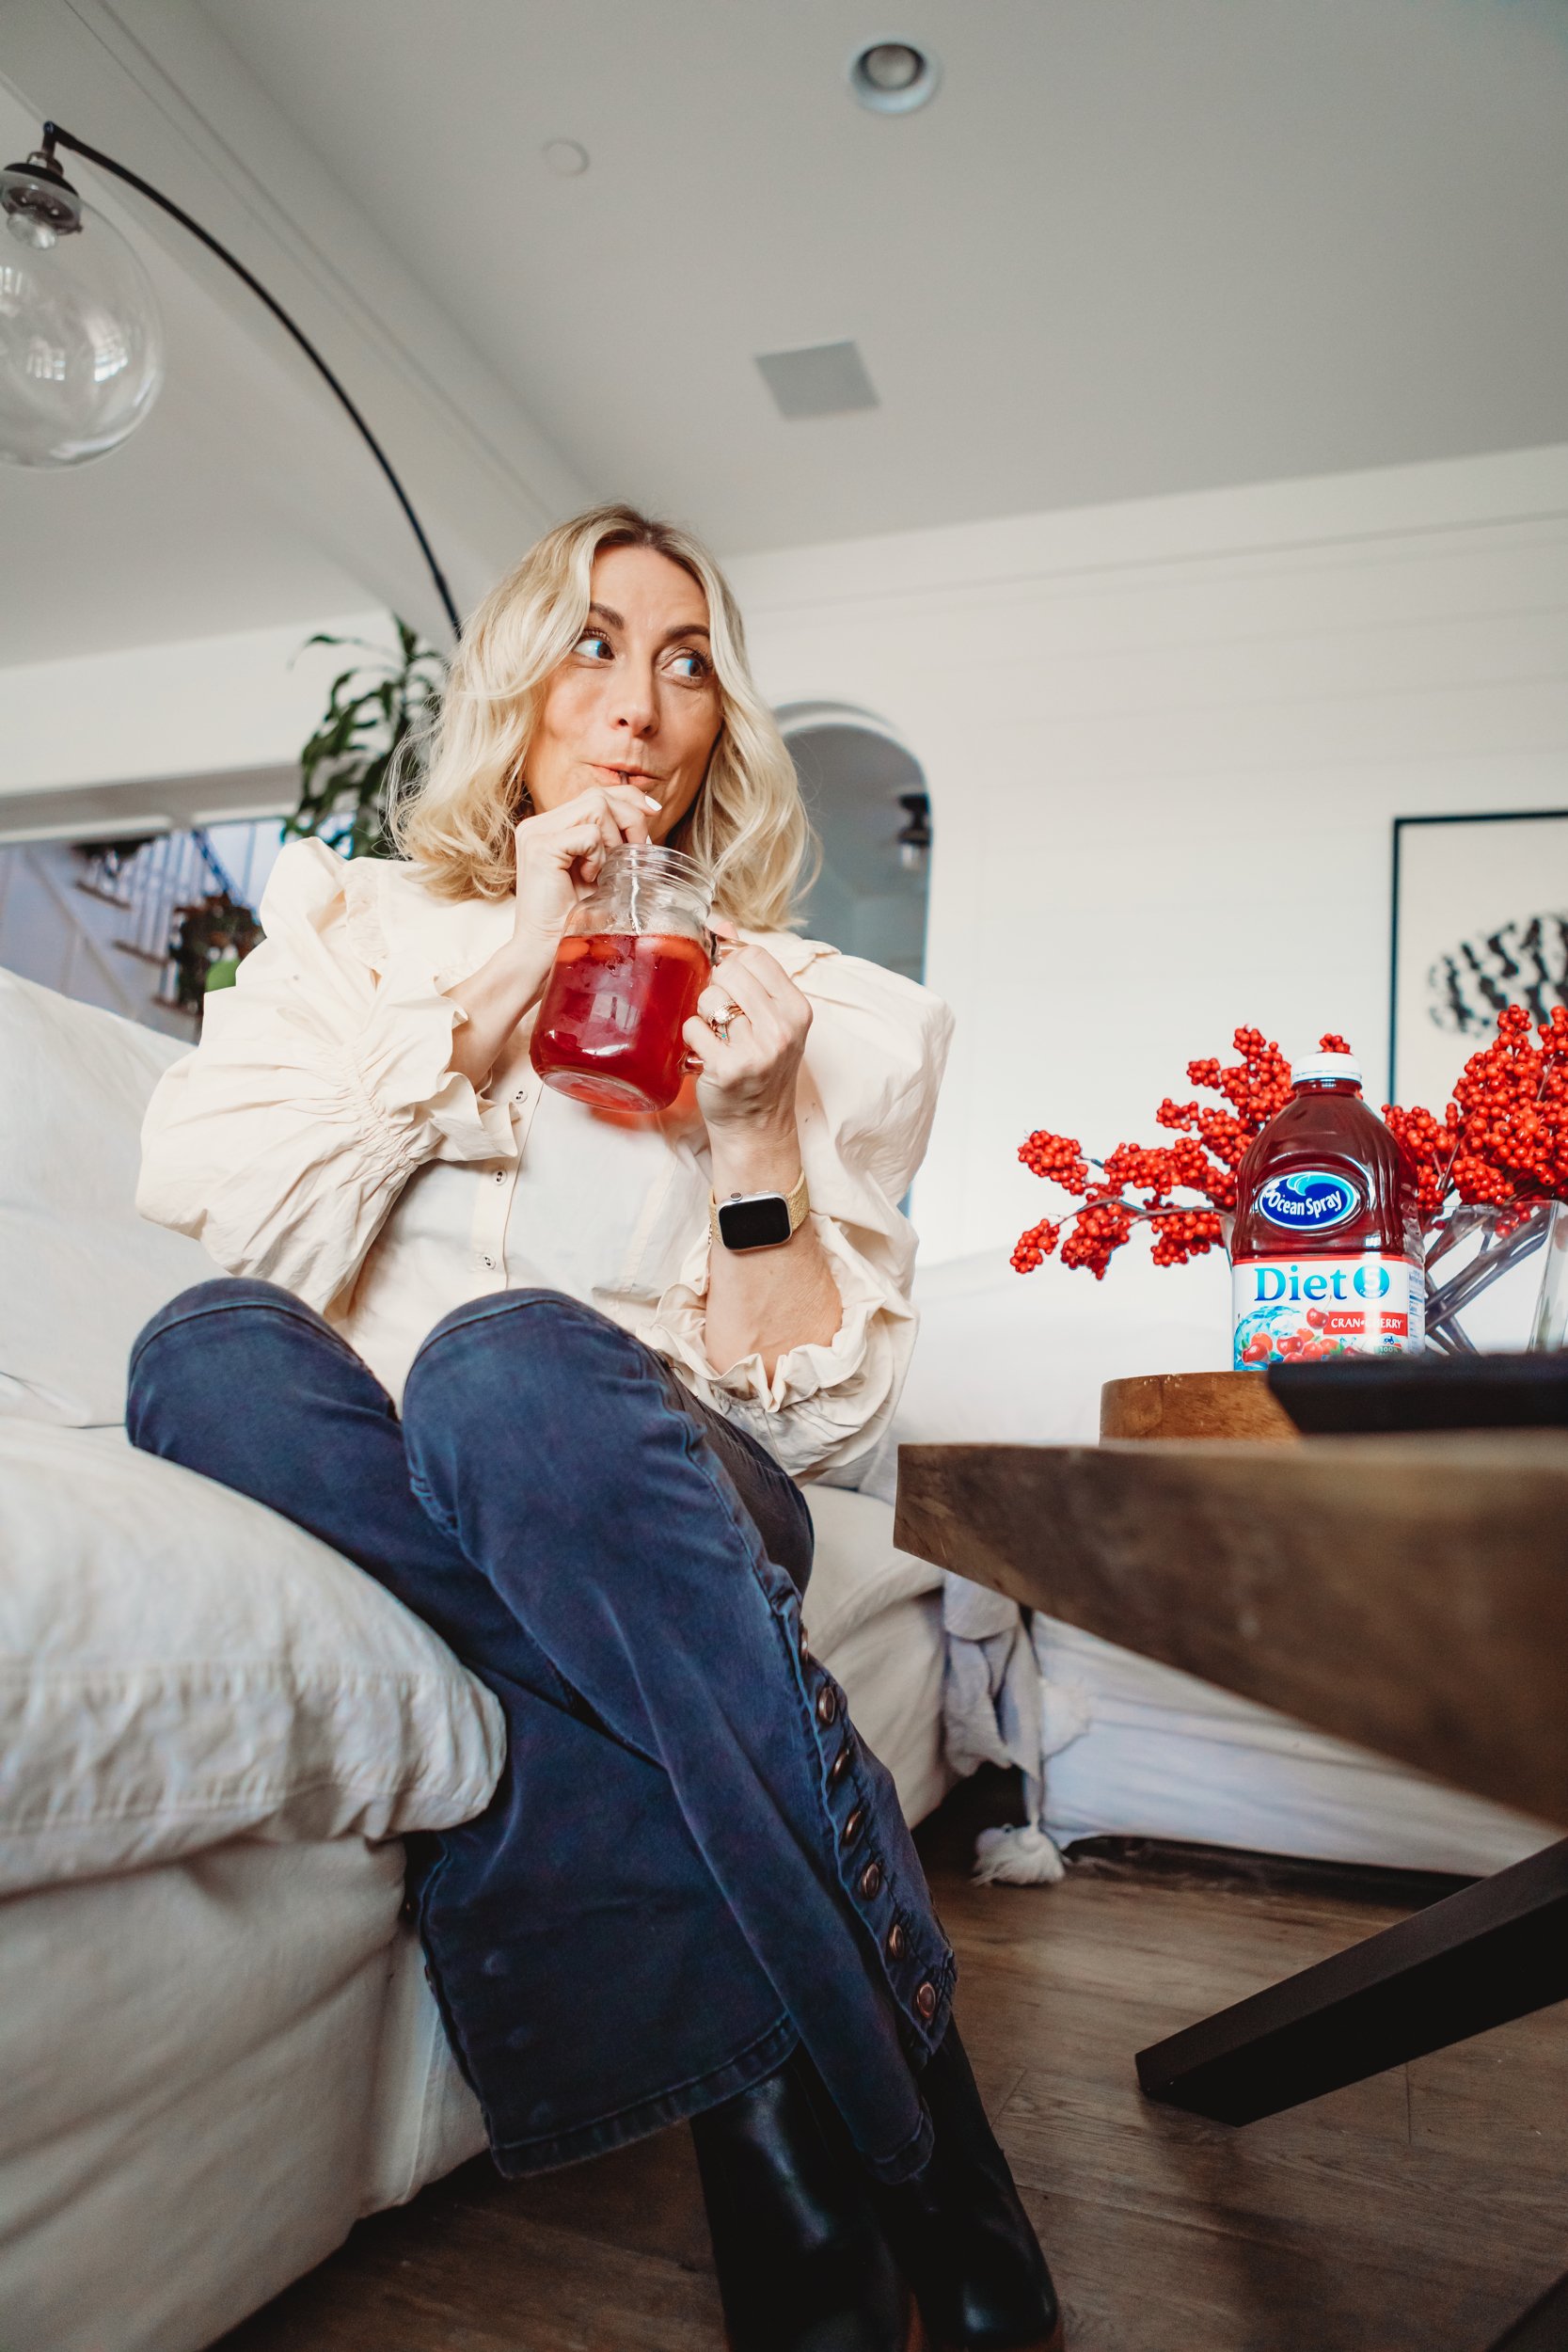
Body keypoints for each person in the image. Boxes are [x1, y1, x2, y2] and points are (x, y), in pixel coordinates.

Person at [131, 503, 1061, 2352]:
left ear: (723, 719)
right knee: (201, 1353)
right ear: (516, 676)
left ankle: (845, 2166)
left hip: (666, 1473)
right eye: (593, 641)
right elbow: (229, 1206)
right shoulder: (353, 933)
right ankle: (920, 2147)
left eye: (688, 658)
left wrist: (757, 1135)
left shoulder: (802, 1005)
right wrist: (510, 964)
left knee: (506, 1364)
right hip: (391, 1476)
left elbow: (833, 1411)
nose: (638, 697)